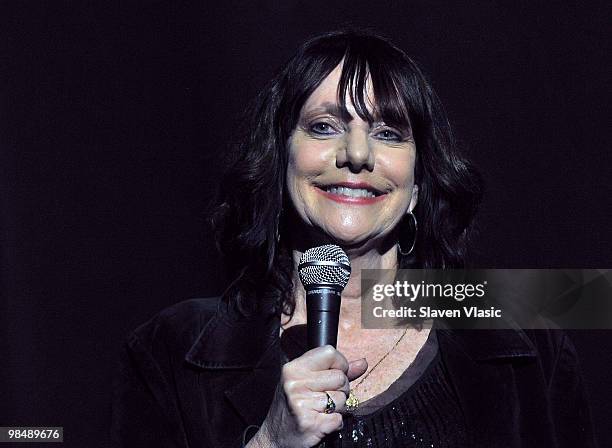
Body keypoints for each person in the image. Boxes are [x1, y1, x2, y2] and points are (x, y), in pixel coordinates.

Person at [111, 29, 596, 447]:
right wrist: (271, 441)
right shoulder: (171, 351)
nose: (357, 154)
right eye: (324, 127)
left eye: (388, 133)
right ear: (279, 161)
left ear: (418, 183)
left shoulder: (528, 343)